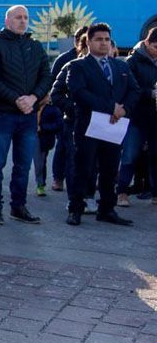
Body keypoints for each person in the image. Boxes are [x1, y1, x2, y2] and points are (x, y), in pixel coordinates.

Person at [0, 5, 52, 224]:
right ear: (7, 21)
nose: (23, 21)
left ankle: (18, 206)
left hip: (28, 115)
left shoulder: (35, 46)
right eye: (18, 17)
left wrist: (33, 98)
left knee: (23, 165)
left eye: (25, 17)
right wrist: (16, 99)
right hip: (2, 115)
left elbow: (46, 76)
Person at [66, 23, 139, 226]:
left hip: (114, 126)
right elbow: (78, 93)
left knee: (110, 169)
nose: (104, 43)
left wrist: (124, 109)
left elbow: (134, 90)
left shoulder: (121, 66)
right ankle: (75, 209)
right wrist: (110, 107)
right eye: (99, 39)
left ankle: (107, 209)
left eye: (107, 39)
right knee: (84, 169)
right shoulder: (78, 66)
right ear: (88, 42)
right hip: (89, 126)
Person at [116, 28, 157, 207]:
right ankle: (122, 192)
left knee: (155, 156)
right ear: (147, 43)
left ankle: (155, 194)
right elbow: (129, 88)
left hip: (155, 118)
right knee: (130, 155)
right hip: (136, 117)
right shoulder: (132, 61)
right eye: (156, 46)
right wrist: (151, 93)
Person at [51, 26, 88, 192]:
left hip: (89, 116)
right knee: (63, 147)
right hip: (67, 113)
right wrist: (68, 107)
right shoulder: (66, 60)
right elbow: (54, 86)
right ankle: (58, 178)